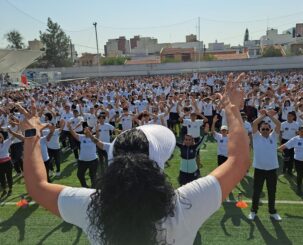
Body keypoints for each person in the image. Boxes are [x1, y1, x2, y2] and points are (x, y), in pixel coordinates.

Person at [18, 73, 250, 245]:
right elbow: (238, 161)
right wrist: (231, 109)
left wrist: (31, 136)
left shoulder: (91, 206)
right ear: (157, 165)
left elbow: (37, 187)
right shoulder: (185, 205)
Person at [248, 109, 282, 221]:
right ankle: (253, 211)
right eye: (263, 129)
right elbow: (254, 124)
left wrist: (270, 116)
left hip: (272, 170)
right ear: (260, 130)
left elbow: (278, 124)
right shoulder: (256, 137)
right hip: (259, 169)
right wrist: (263, 115)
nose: (265, 130)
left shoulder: (273, 136)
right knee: (257, 191)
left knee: (272, 191)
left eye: (267, 129)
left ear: (270, 130)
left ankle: (272, 212)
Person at [67, 122, 98, 188]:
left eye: (87, 129)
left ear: (91, 131)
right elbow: (74, 134)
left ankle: (93, 188)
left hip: (93, 160)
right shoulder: (82, 137)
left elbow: (97, 137)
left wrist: (92, 133)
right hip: (82, 161)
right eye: (85, 129)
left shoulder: (94, 137)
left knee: (93, 175)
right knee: (80, 175)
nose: (85, 130)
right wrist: (69, 127)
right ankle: (85, 186)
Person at [280, 111, 299, 175]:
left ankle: (290, 170)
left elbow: (297, 134)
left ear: (293, 117)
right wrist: (281, 142)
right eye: (288, 116)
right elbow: (280, 134)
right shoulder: (283, 124)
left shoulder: (296, 124)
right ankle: (284, 168)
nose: (289, 117)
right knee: (286, 156)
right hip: (285, 141)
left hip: (293, 142)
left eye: (290, 116)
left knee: (292, 157)